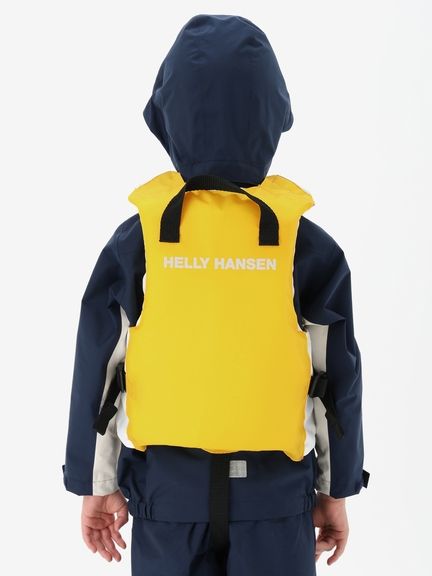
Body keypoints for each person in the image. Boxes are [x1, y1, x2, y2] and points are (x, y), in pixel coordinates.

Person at [62, 13, 369, 576]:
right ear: (274, 114)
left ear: (167, 114)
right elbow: (336, 380)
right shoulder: (306, 247)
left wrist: (96, 482)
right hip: (276, 501)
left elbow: (99, 368)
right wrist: (336, 489)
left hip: (166, 499)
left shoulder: (139, 241)